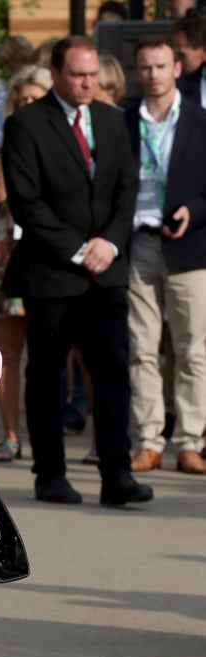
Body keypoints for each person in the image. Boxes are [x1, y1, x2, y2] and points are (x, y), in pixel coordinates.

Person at [2, 35, 153, 506]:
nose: (88, 82)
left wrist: (108, 241)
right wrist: (77, 249)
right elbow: (26, 201)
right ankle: (50, 475)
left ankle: (117, 474)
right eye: (78, 75)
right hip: (52, 274)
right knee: (46, 377)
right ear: (56, 73)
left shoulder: (111, 121)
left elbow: (127, 189)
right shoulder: (26, 124)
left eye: (92, 75)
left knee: (112, 374)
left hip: (106, 272)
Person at [125, 37, 206, 474]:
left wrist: (192, 211)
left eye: (160, 65)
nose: (153, 74)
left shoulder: (200, 121)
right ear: (136, 71)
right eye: (145, 67)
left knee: (193, 349)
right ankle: (148, 441)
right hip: (138, 242)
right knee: (142, 349)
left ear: (177, 68)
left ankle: (190, 442)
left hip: (190, 246)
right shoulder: (124, 122)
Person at [0, 65, 52, 462]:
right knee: (6, 348)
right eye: (21, 100)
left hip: (49, 252)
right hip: (8, 253)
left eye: (35, 99)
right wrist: (10, 145)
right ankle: (11, 435)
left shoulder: (62, 143)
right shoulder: (7, 142)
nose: (27, 106)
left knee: (66, 348)